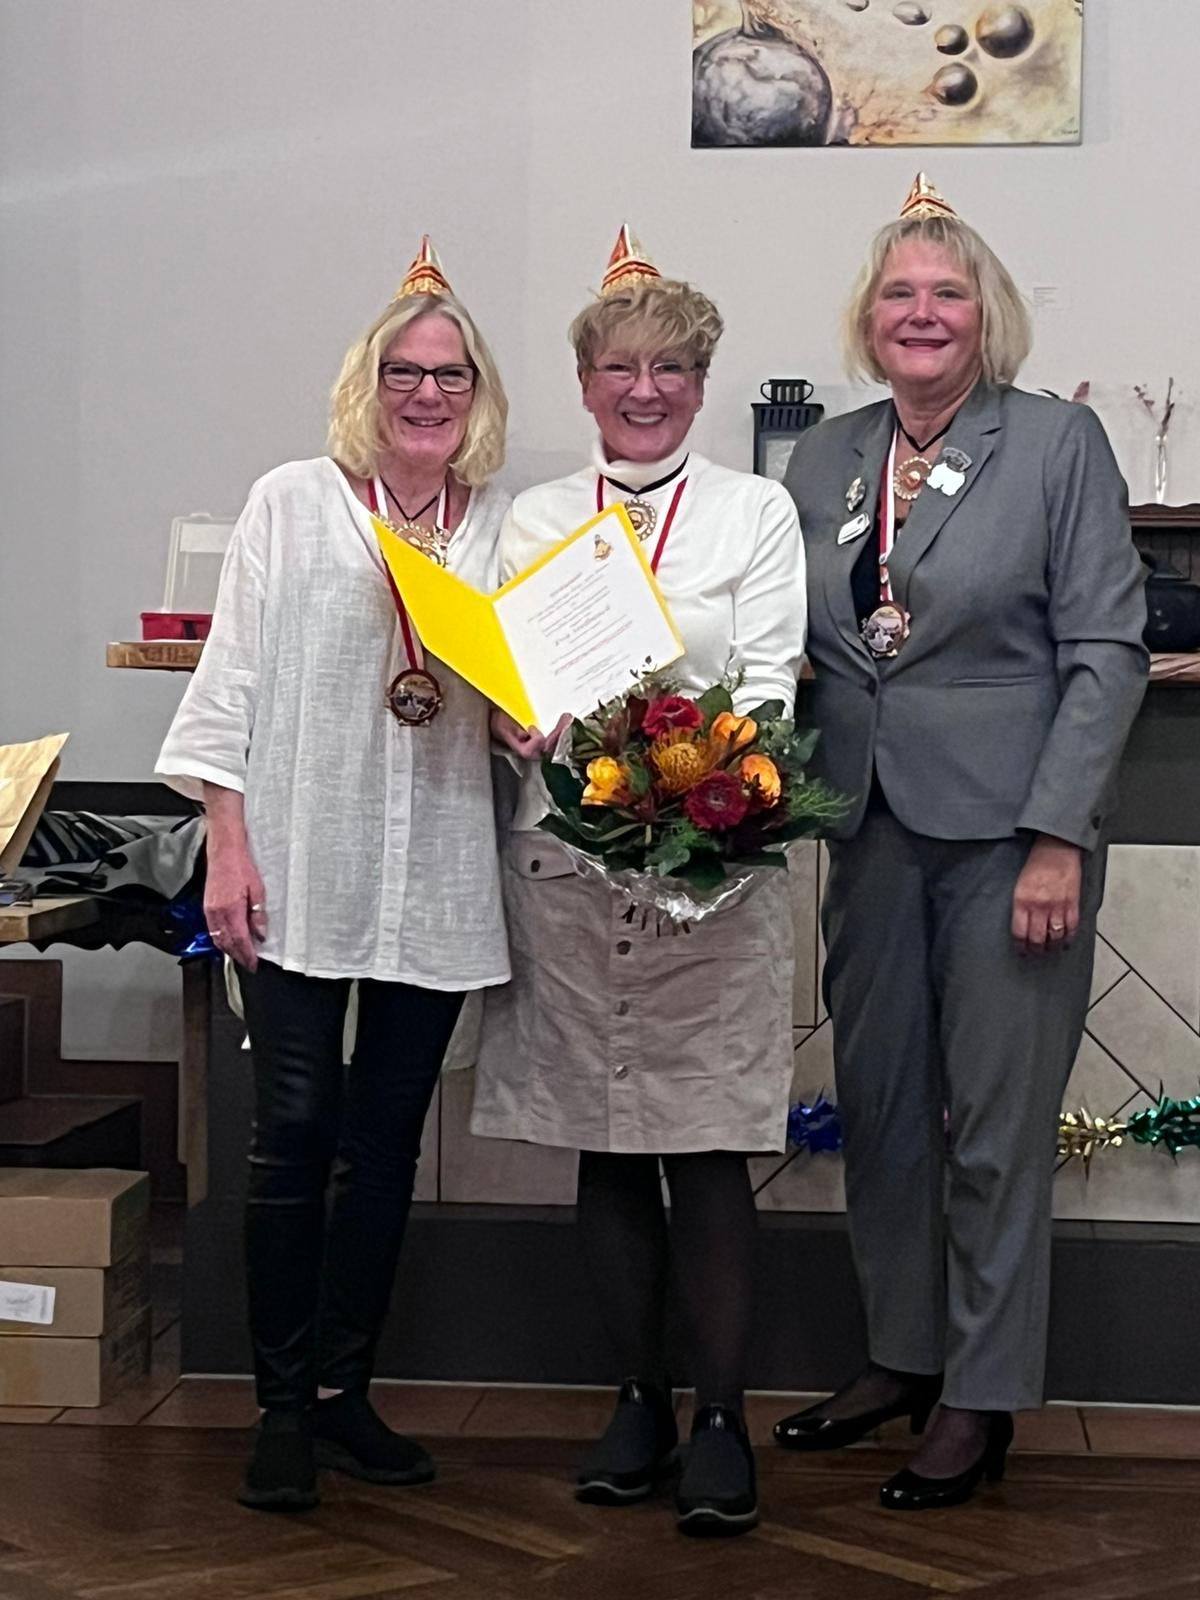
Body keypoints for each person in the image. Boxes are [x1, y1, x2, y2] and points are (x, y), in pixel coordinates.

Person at [773, 176, 1148, 1510]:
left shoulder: (1055, 445)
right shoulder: (823, 458)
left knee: (993, 1127)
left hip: (1008, 843)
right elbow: (790, 638)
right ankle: (902, 1353)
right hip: (866, 827)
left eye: (947, 292)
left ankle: (980, 1397)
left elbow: (1106, 649)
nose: (921, 313)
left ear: (986, 315)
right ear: (866, 318)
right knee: (882, 1111)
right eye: (899, 293)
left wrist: (1058, 837)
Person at [156, 238, 511, 1512]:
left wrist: (539, 717)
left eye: (451, 375)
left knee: (384, 1143)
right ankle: (278, 1409)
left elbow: (531, 690)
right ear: (367, 384)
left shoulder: (505, 525)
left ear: (479, 394)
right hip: (303, 858)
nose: (427, 395)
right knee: (293, 1134)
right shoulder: (294, 502)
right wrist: (228, 844)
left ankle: (344, 1393)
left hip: (440, 865)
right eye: (404, 372)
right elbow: (233, 682)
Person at [472, 226, 807, 1537]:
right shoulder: (537, 520)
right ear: (585, 384)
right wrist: (517, 718)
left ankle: (721, 1418)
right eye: (621, 367)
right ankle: (636, 1403)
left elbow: (769, 684)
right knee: (606, 1149)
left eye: (671, 368)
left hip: (712, 862)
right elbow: (515, 682)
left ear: (702, 382)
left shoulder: (753, 512)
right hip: (570, 863)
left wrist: (702, 783)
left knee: (706, 1149)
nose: (645, 389)